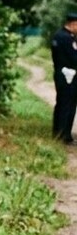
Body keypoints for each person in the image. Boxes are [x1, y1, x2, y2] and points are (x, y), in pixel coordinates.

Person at [50, 11, 77, 144]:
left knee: (61, 103)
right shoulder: (67, 38)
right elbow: (74, 58)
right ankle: (65, 135)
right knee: (68, 104)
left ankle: (57, 132)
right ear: (73, 24)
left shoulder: (58, 35)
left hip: (59, 73)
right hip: (69, 75)